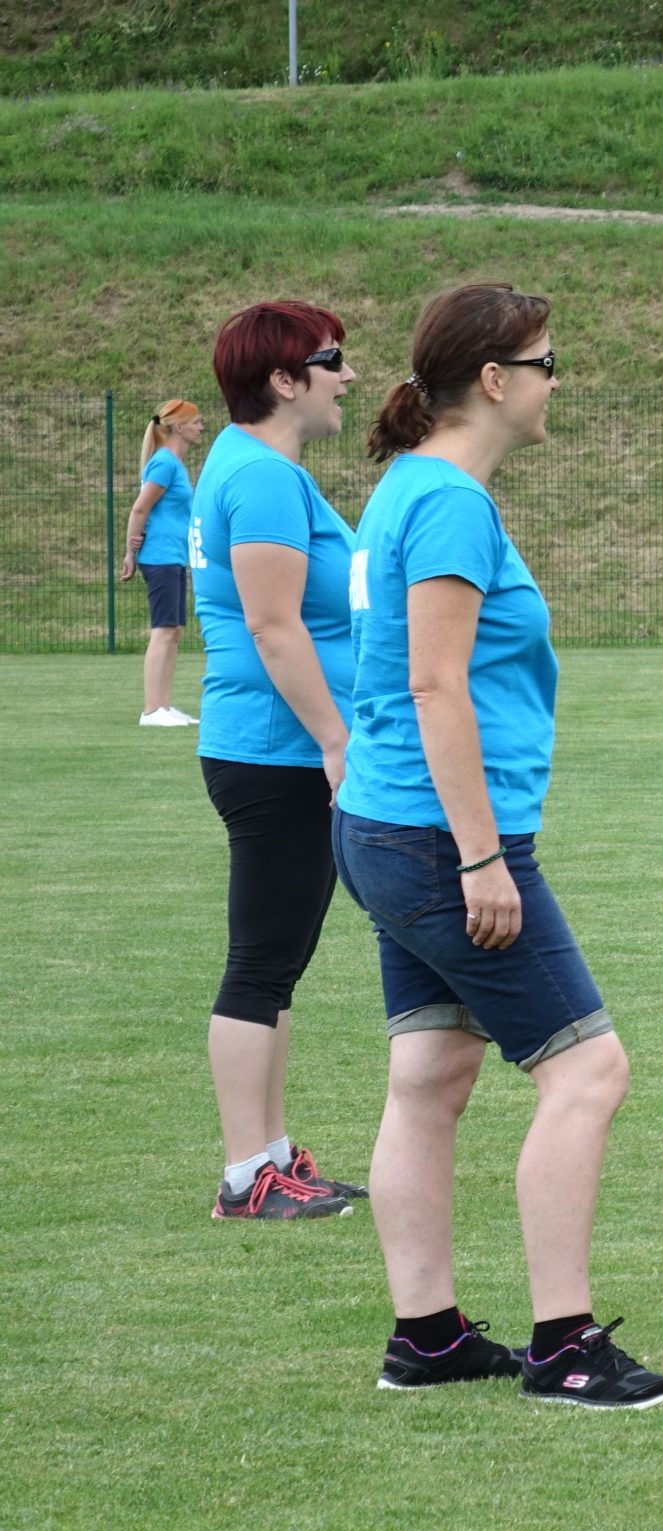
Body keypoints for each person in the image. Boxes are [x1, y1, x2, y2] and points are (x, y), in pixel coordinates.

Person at [338, 282, 663, 1409]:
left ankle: (428, 1338)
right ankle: (564, 1346)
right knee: (588, 1070)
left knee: (430, 1074)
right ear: (493, 380)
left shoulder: (412, 486)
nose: (555, 382)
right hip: (438, 838)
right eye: (546, 363)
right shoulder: (446, 501)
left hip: (390, 827)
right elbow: (435, 684)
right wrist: (482, 858)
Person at [190, 302, 366, 1220]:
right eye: (332, 360)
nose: (349, 376)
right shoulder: (259, 476)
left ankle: (271, 1157)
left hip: (276, 749)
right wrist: (335, 740)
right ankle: (244, 1176)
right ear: (283, 380)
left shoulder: (259, 468)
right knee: (260, 963)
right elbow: (272, 625)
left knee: (277, 963)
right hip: (276, 751)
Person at [122, 398, 208, 726]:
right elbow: (140, 509)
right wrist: (130, 553)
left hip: (173, 556)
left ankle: (163, 706)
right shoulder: (164, 464)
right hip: (160, 557)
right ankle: (151, 710)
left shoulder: (173, 464)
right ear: (178, 427)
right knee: (163, 631)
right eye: (196, 422)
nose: (201, 427)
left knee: (173, 631)